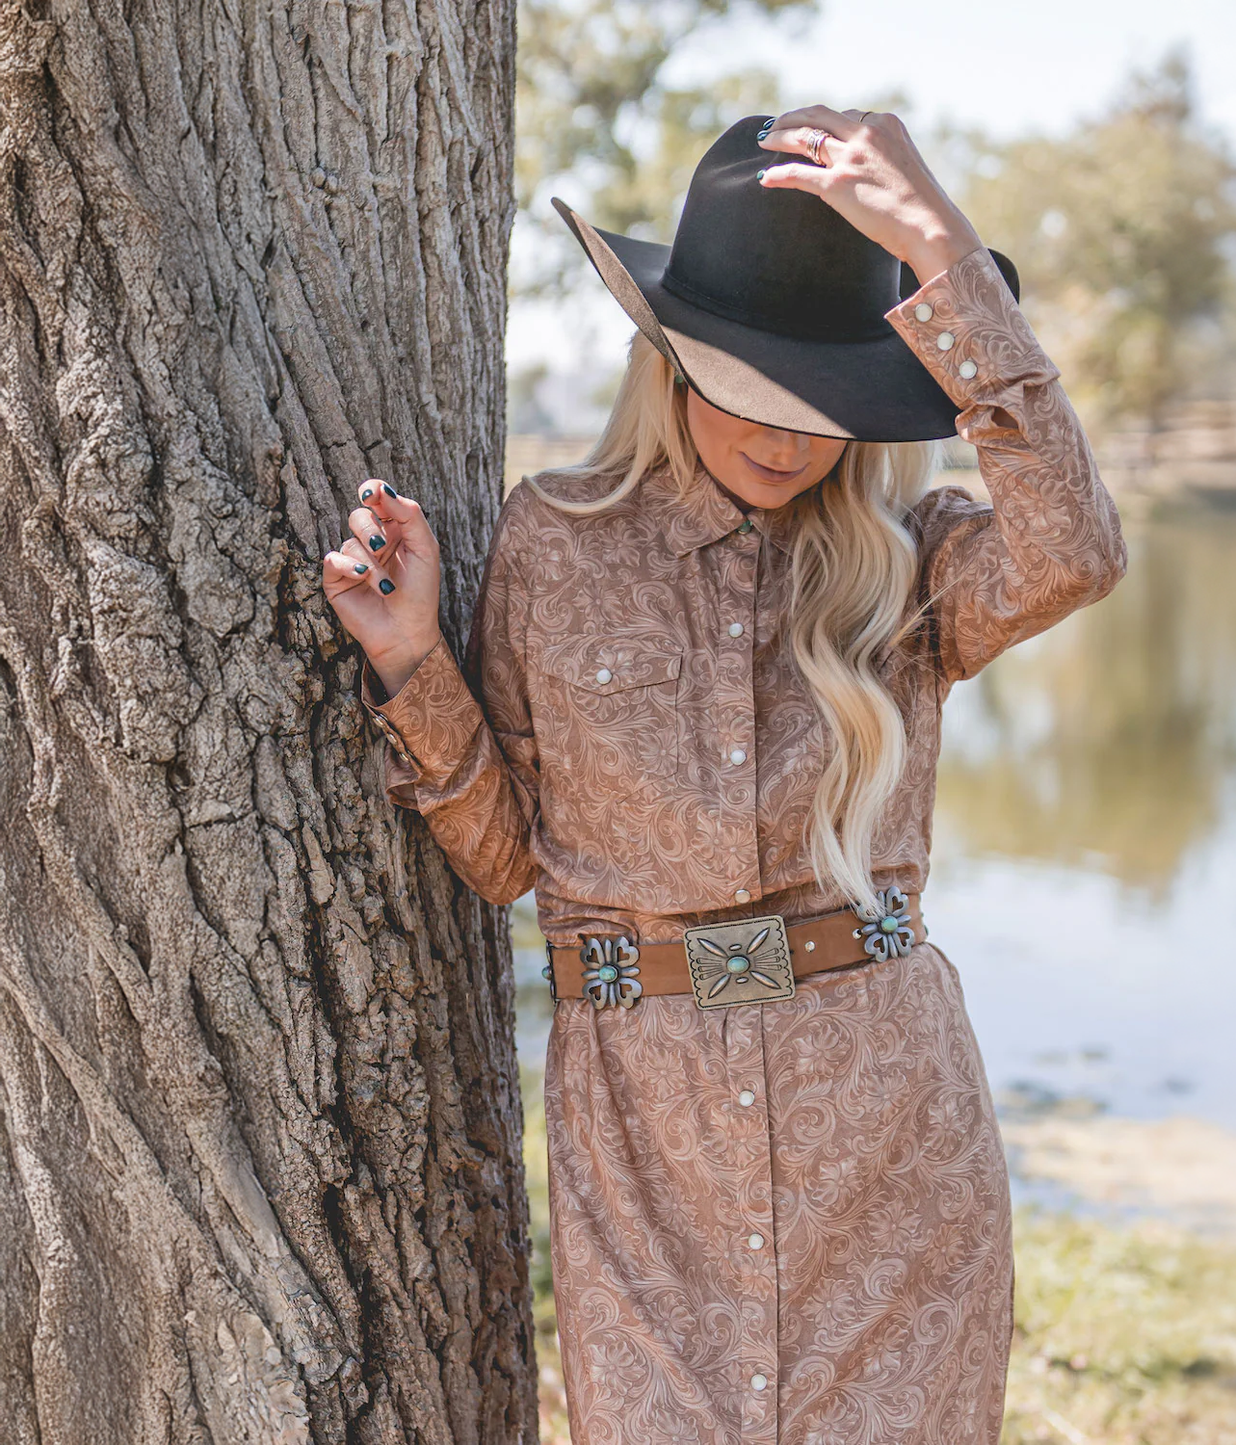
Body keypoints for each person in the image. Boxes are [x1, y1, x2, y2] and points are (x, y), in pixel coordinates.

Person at [321, 105, 1127, 1445]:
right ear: (670, 356)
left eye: (829, 397)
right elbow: (513, 860)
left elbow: (1075, 550)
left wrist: (942, 254)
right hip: (645, 1145)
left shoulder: (912, 568)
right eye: (748, 377)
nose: (789, 431)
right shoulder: (554, 542)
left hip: (885, 1130)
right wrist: (416, 668)